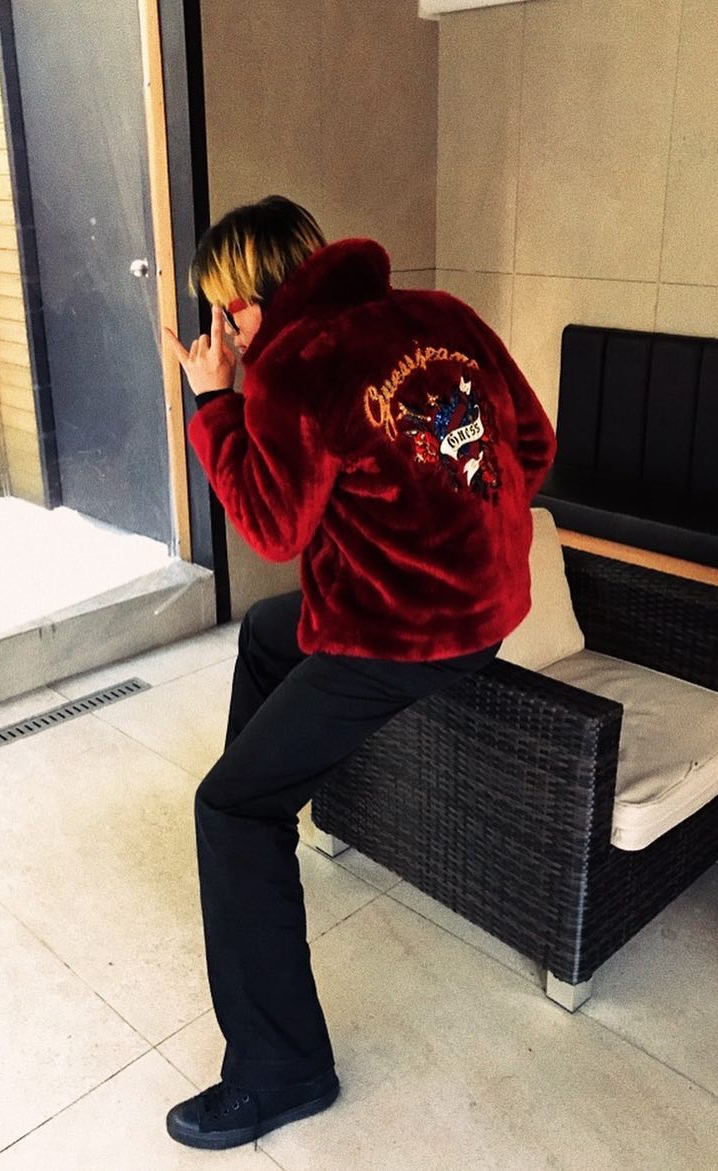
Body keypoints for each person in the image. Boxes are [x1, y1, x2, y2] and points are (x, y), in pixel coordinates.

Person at [162, 195, 556, 1151]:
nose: (225, 330)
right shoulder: (442, 314)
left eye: (226, 309)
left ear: (251, 299)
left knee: (226, 808)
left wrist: (214, 402)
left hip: (400, 636)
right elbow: (534, 446)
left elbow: (270, 527)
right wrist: (454, 528)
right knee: (268, 635)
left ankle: (281, 1069)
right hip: (488, 614)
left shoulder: (295, 368)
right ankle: (268, 823)